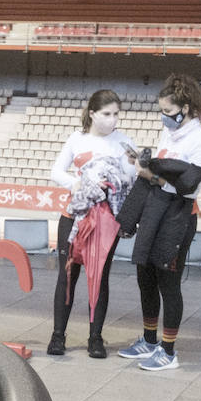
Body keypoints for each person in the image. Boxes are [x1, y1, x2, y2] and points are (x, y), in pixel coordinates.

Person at [115, 74, 201, 372]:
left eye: (169, 112)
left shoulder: (199, 140)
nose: (164, 118)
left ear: (186, 108)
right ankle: (148, 340)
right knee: (145, 277)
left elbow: (190, 187)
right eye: (162, 112)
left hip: (177, 216)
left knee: (168, 283)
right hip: (154, 211)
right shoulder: (168, 135)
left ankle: (169, 351)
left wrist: (151, 177)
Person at [45, 89, 137, 358]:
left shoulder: (124, 142)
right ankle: (57, 335)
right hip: (75, 214)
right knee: (68, 275)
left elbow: (132, 176)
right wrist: (78, 184)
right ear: (93, 114)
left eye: (117, 114)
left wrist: (129, 169)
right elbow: (56, 171)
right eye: (107, 114)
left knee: (101, 276)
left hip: (107, 219)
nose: (113, 120)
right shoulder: (77, 138)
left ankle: (95, 337)